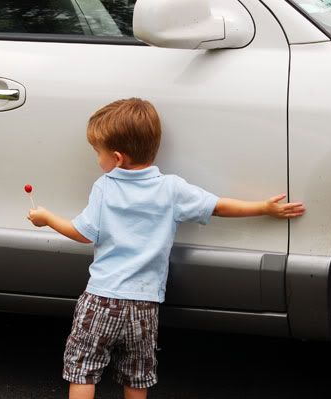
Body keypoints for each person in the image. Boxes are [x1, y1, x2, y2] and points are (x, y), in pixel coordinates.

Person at [26, 98, 306, 399]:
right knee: (137, 375)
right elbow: (218, 206)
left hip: (102, 299)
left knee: (83, 369)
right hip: (145, 305)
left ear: (117, 158)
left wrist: (46, 219)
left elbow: (83, 233)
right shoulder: (171, 188)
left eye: (98, 152)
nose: (97, 160)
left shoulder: (105, 186)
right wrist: (263, 207)